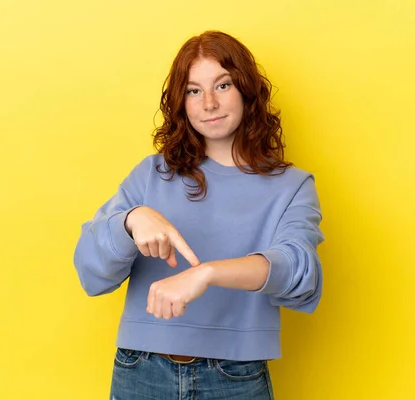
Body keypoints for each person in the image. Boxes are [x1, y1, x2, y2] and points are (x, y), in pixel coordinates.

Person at [73, 30, 324, 400]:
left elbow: (301, 274)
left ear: (247, 91)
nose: (209, 103)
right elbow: (91, 274)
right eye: (193, 91)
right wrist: (130, 221)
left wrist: (207, 273)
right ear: (181, 103)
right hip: (140, 370)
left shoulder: (292, 186)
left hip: (235, 378)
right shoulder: (150, 175)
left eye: (223, 85)